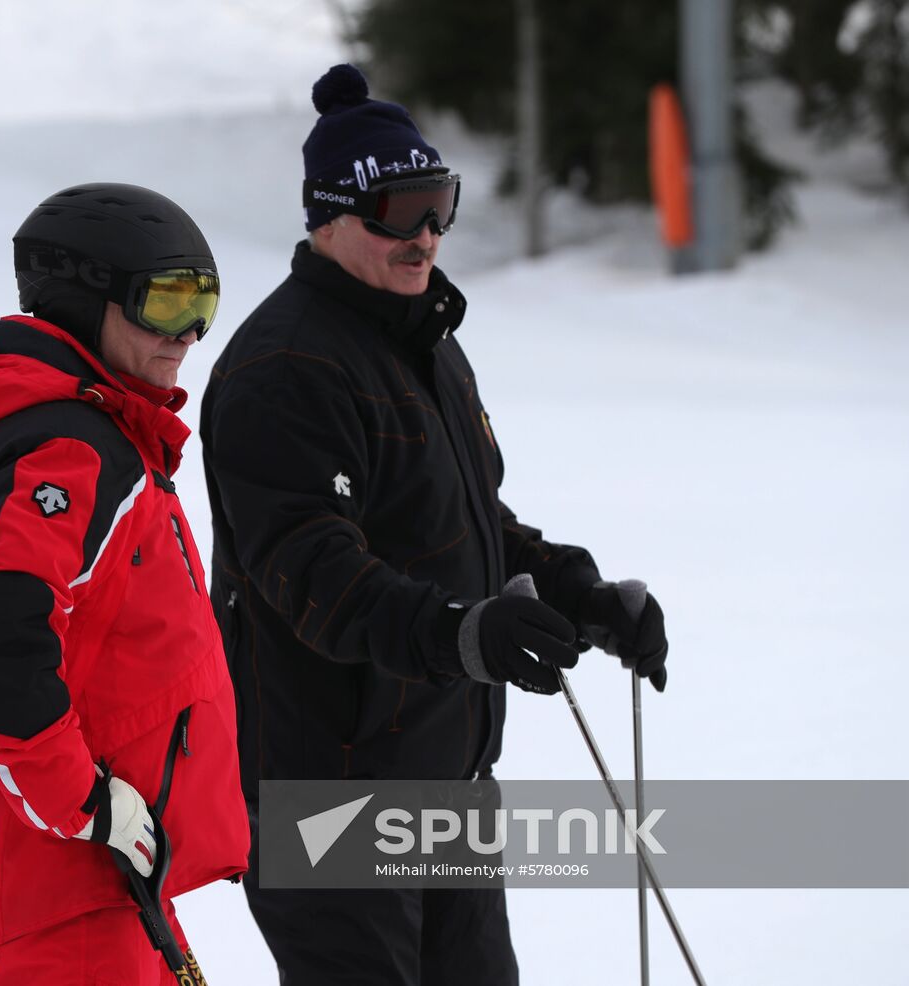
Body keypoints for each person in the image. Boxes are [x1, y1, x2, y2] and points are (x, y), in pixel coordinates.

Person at [200, 64, 671, 985]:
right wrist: (462, 635)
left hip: (442, 781)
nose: (426, 236)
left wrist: (576, 591)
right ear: (328, 216)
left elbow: (461, 519)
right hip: (328, 796)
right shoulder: (283, 370)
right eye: (399, 211)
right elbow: (312, 573)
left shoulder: (421, 341)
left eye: (439, 206)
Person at [0, 182, 249, 985]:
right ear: (81, 299)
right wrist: (85, 802)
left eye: (204, 302)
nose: (191, 334)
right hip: (74, 871)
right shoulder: (69, 447)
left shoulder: (85, 429)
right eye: (165, 302)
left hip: (110, 867)